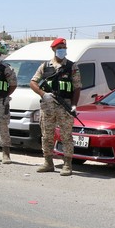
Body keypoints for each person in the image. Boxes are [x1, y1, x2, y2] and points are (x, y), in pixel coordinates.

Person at [29, 38, 82, 175]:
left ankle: (67, 164)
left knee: (66, 136)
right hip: (48, 106)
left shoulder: (72, 67)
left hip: (65, 106)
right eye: (59, 48)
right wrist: (43, 94)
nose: (62, 50)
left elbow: (77, 88)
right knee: (47, 135)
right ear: (53, 49)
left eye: (64, 47)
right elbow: (33, 82)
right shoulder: (45, 66)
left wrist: (74, 105)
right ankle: (48, 163)